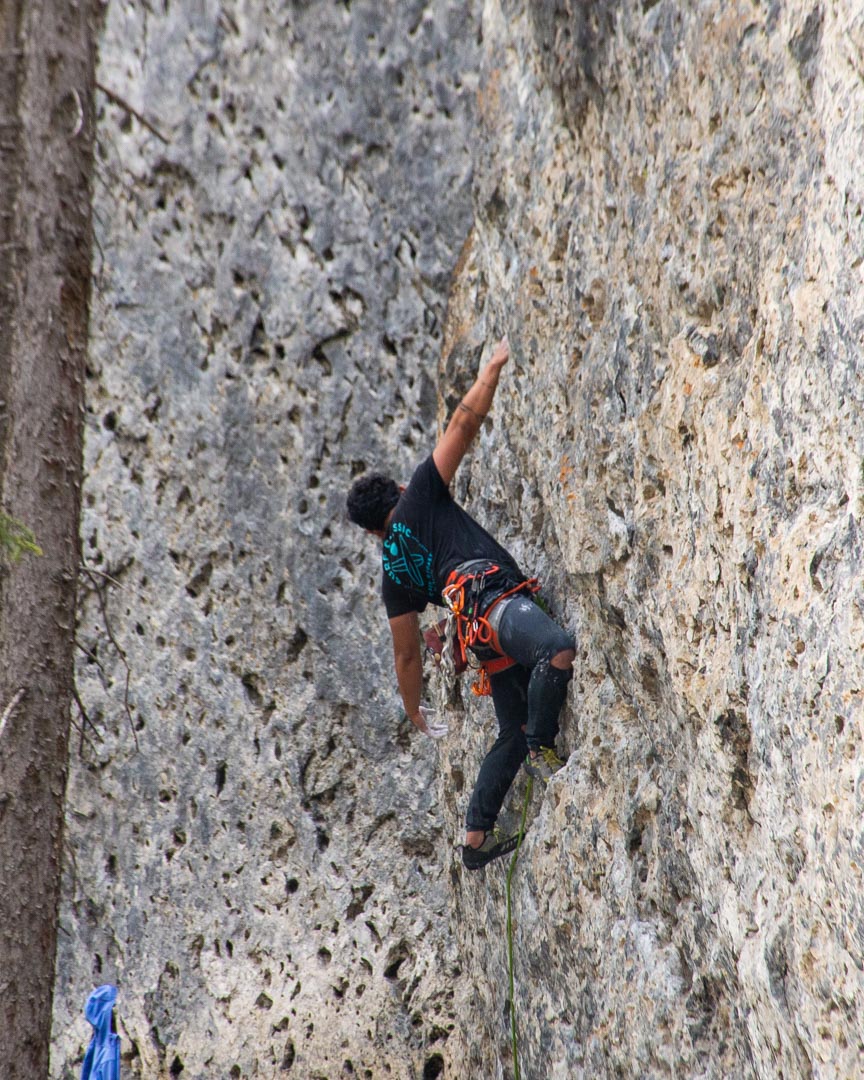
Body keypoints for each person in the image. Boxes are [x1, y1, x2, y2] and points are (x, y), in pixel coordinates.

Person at [346, 337, 576, 869]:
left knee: (510, 729)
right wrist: (491, 367)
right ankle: (544, 750)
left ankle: (474, 837)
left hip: (480, 637)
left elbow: (405, 654)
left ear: (370, 533)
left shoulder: (392, 572)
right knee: (557, 650)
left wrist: (414, 710)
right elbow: (463, 425)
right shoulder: (418, 498)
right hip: (496, 608)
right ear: (399, 488)